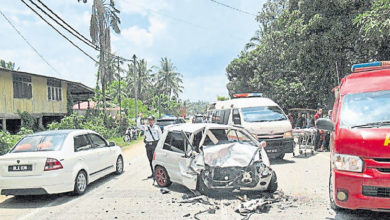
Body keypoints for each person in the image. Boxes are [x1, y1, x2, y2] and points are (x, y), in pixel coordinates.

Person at [137, 113, 162, 178]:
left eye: (151, 120)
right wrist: (139, 117)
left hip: (155, 145)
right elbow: (138, 125)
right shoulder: (145, 127)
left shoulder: (157, 127)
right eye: (149, 120)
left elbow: (160, 137)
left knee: (155, 160)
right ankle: (153, 173)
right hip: (148, 146)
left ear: (154, 121)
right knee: (150, 160)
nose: (150, 121)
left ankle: (157, 174)